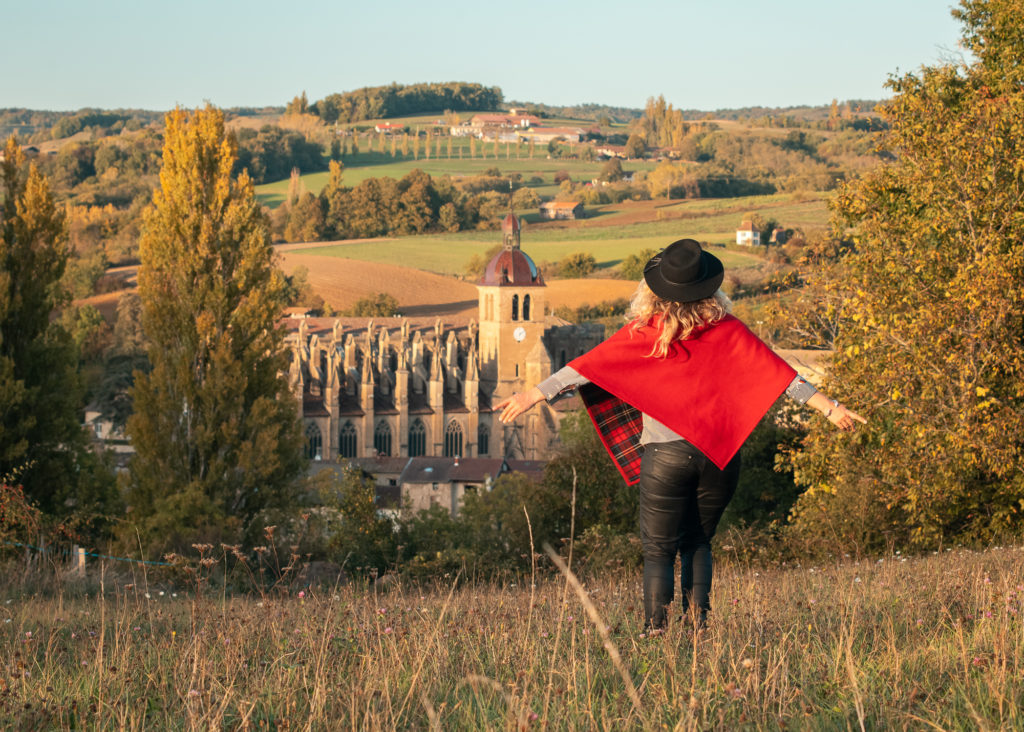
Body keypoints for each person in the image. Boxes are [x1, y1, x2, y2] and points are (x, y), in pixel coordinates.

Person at [496, 238, 866, 631]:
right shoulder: (730, 332)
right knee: (697, 542)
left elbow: (585, 368)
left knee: (658, 550)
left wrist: (534, 394)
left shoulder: (646, 332)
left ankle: (656, 630)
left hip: (666, 456)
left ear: (653, 291)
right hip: (719, 457)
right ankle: (698, 626)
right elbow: (781, 375)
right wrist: (830, 408)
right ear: (709, 288)